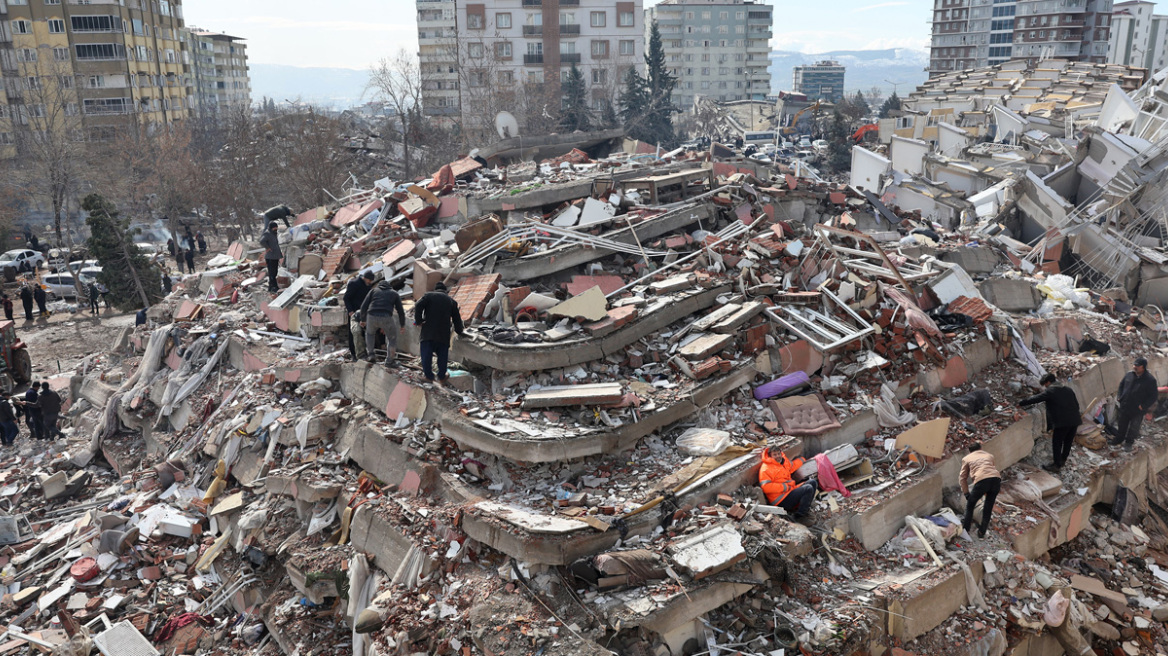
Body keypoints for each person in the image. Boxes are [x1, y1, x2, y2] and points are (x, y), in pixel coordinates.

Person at [1020, 373, 1082, 472]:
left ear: (1048, 382)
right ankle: (1062, 460)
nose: (1045, 387)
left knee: (1057, 442)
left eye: (1045, 385)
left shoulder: (1051, 391)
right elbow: (1077, 405)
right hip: (1074, 421)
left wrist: (1021, 403)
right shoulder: (1068, 390)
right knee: (1068, 442)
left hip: (1062, 422)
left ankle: (1056, 465)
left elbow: (1036, 399)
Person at [414, 281, 465, 383]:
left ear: (435, 289)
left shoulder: (429, 296)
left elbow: (418, 305)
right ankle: (442, 376)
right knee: (442, 357)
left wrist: (419, 321)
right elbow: (457, 319)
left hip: (428, 332)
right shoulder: (451, 301)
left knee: (426, 355)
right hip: (443, 334)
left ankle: (428, 376)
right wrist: (460, 331)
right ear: (445, 291)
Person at [1110, 357, 1159, 452]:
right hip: (1125, 405)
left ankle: (1129, 443)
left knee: (1134, 427)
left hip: (1137, 409)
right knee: (1122, 424)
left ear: (1143, 367)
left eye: (1137, 366)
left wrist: (1143, 406)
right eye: (1134, 365)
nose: (1134, 367)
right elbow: (1121, 385)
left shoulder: (1150, 380)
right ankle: (1118, 439)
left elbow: (1153, 396)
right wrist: (1120, 396)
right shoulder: (1129, 375)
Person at [758, 446, 817, 519]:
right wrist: (784, 487)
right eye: (775, 455)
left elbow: (792, 466)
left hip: (789, 492)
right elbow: (765, 487)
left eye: (778, 454)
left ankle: (803, 509)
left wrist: (802, 459)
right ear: (770, 456)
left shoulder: (783, 462)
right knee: (808, 488)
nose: (778, 456)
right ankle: (800, 516)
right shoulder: (765, 469)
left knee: (813, 482)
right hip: (780, 500)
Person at [359, 278, 406, 366]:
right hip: (386, 317)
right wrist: (402, 325)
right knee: (392, 338)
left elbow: (363, 306)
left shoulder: (373, 291)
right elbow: (400, 311)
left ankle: (371, 355)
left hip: (371, 316)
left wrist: (363, 320)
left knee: (370, 334)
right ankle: (389, 361)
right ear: (389, 286)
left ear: (379, 286)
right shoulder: (394, 293)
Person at [960, 442, 1001, 539]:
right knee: (988, 507)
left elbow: (962, 478)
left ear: (970, 451)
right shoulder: (989, 456)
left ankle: (966, 529)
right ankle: (982, 532)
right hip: (996, 479)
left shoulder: (966, 459)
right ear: (981, 448)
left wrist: (966, 493)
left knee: (970, 505)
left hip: (981, 480)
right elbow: (991, 470)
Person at [344, 272, 374, 360]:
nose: (370, 282)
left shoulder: (368, 285)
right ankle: (354, 354)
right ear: (365, 278)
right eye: (370, 280)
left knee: (365, 332)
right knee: (354, 332)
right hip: (354, 313)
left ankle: (364, 353)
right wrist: (350, 311)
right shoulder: (354, 283)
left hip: (364, 313)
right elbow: (346, 298)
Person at [260, 222, 282, 293]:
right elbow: (262, 241)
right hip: (271, 256)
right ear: (272, 227)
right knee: (272, 273)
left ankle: (271, 287)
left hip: (274, 256)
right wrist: (268, 247)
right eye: (275, 227)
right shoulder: (267, 233)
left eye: (276, 227)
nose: (276, 228)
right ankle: (274, 287)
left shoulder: (273, 233)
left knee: (274, 272)